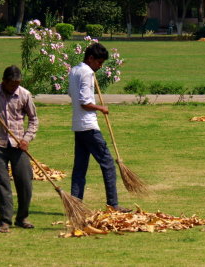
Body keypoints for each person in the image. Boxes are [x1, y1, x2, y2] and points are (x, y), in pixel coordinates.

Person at [68, 43, 131, 213]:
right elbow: (85, 102)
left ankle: (76, 204)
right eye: (99, 62)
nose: (100, 66)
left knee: (80, 167)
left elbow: (72, 95)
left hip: (78, 125)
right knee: (108, 163)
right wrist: (101, 108)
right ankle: (113, 204)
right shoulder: (87, 72)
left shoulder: (74, 70)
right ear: (90, 58)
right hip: (89, 126)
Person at [0, 65, 39, 233]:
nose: (15, 87)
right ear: (4, 81)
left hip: (19, 144)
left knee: (25, 181)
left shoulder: (24, 94)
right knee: (2, 183)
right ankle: (5, 221)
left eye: (17, 83)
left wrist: (26, 139)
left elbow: (34, 120)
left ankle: (22, 217)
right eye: (12, 84)